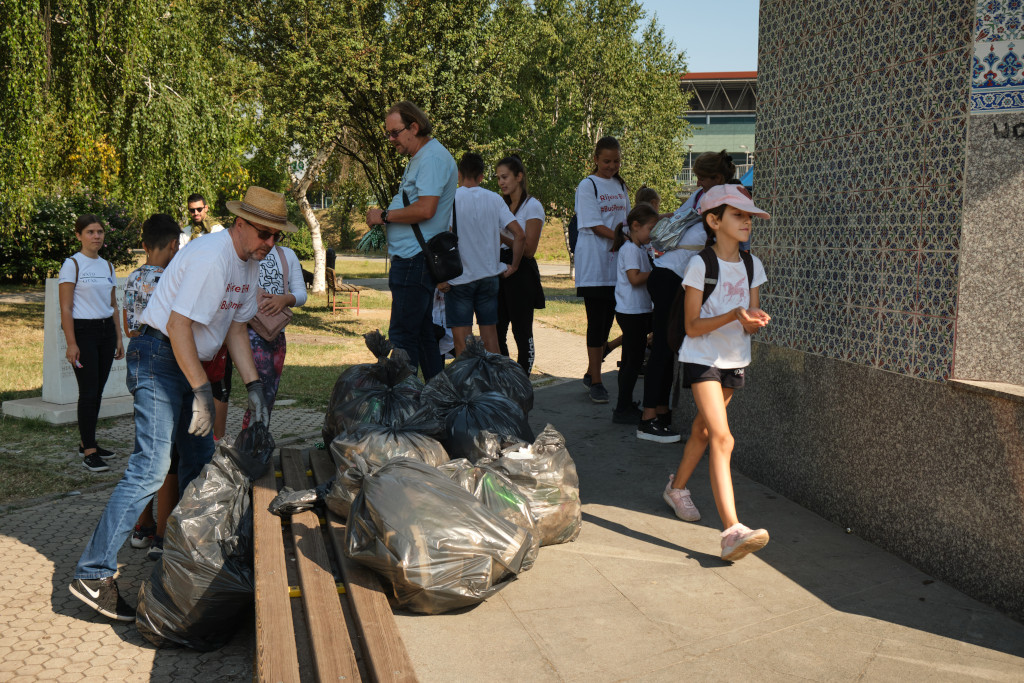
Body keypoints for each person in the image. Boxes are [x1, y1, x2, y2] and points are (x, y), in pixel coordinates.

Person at [69, 185, 293, 622]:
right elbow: (177, 324)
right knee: (152, 466)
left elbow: (235, 327)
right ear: (241, 224)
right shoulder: (213, 257)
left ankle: (184, 562)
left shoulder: (247, 265)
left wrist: (254, 387)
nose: (269, 244)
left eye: (276, 238)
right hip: (157, 356)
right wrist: (202, 392)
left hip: (185, 361)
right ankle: (92, 574)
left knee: (200, 462)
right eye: (264, 234)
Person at [663, 184, 771, 562]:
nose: (747, 222)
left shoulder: (752, 264)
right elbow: (692, 326)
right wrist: (734, 315)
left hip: (734, 358)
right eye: (738, 215)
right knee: (723, 439)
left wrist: (753, 321)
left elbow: (749, 319)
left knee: (704, 430)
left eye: (749, 216)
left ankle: (676, 488)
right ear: (714, 220)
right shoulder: (699, 265)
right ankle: (732, 530)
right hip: (701, 357)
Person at [638, 153, 735, 443]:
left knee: (668, 347)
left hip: (670, 277)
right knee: (664, 349)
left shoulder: (704, 198)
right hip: (670, 278)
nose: (698, 182)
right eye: (698, 177)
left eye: (703, 177)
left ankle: (661, 412)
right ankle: (648, 419)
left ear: (717, 178)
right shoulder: (709, 199)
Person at [365, 101, 457, 379]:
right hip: (412, 259)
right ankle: (437, 397)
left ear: (414, 127)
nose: (391, 139)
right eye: (388, 134)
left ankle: (405, 405)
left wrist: (384, 215)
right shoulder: (423, 157)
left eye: (395, 133)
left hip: (414, 261)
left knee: (403, 336)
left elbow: (426, 209)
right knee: (422, 334)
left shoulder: (431, 159)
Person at [121, 214, 183, 559]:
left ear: (144, 245)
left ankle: (142, 526)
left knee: (143, 446)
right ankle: (163, 536)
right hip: (166, 360)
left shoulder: (133, 279)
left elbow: (129, 327)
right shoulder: (173, 279)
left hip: (138, 357)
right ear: (175, 244)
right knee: (168, 454)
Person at [438, 153, 525, 356]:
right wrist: (514, 266)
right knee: (491, 340)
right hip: (489, 278)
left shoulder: (450, 200)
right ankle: (493, 385)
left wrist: (439, 277)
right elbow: (519, 235)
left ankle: (467, 386)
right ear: (482, 176)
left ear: (459, 174)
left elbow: (441, 238)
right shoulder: (495, 199)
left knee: (461, 344)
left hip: (459, 280)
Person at [58, 215, 126, 473]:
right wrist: (71, 343)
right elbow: (65, 308)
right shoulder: (72, 264)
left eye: (99, 232)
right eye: (90, 232)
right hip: (83, 332)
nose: (96, 236)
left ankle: (89, 442)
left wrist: (119, 338)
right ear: (78, 235)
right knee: (87, 392)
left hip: (105, 332)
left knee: (97, 391)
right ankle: (89, 452)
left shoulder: (107, 266)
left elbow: (113, 306)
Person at [575, 136, 630, 404]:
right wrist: (623, 239)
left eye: (616, 161)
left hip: (618, 266)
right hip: (595, 267)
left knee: (610, 321)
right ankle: (596, 381)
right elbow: (595, 224)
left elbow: (627, 222)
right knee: (597, 322)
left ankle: (590, 371)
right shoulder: (587, 186)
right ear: (595, 159)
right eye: (606, 161)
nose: (611, 166)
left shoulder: (621, 185)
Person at [239, 240, 307, 429]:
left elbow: (301, 293)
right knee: (261, 390)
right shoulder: (247, 251)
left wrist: (285, 299)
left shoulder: (287, 254)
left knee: (270, 392)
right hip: (249, 332)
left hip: (276, 332)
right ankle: (250, 441)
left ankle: (258, 440)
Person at [495, 155, 546, 374]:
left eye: (505, 177)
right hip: (499, 268)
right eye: (498, 178)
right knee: (496, 330)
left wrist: (502, 236)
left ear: (519, 176)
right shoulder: (500, 204)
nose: (501, 183)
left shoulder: (532, 206)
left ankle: (523, 378)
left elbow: (528, 250)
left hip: (522, 271)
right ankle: (507, 377)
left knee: (521, 331)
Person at [611, 203, 658, 424]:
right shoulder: (629, 249)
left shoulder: (637, 247)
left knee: (630, 359)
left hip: (637, 310)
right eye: (651, 229)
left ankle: (625, 404)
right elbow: (634, 278)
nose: (653, 234)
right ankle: (622, 409)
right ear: (636, 226)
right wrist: (656, 273)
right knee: (633, 361)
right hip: (631, 312)